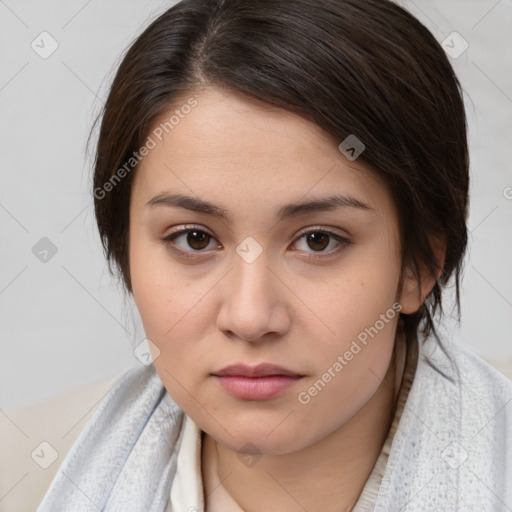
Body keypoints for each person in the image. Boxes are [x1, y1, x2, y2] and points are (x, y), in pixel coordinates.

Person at [19, 0, 512, 510]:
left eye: (318, 240)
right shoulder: (28, 477)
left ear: (419, 264)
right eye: (194, 239)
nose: (251, 317)